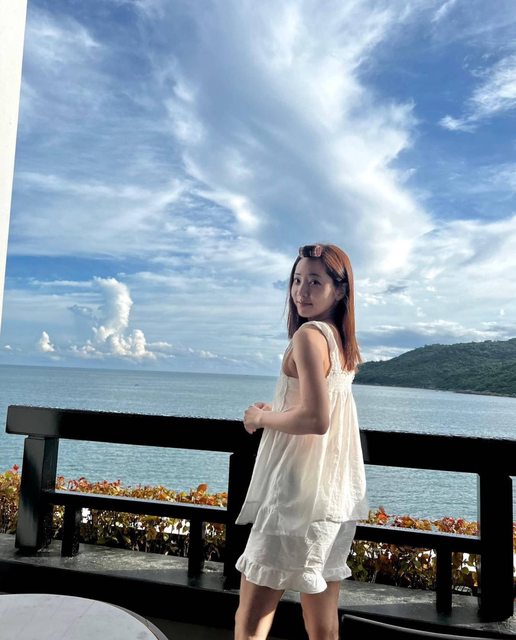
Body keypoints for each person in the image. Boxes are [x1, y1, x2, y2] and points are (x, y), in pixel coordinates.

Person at [233, 243, 369, 640]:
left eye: (314, 282)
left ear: (339, 290)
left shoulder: (309, 336)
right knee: (323, 625)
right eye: (296, 280)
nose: (301, 291)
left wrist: (260, 418)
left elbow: (316, 418)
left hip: (293, 494)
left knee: (251, 621)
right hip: (333, 493)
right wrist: (277, 408)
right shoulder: (341, 343)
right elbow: (315, 404)